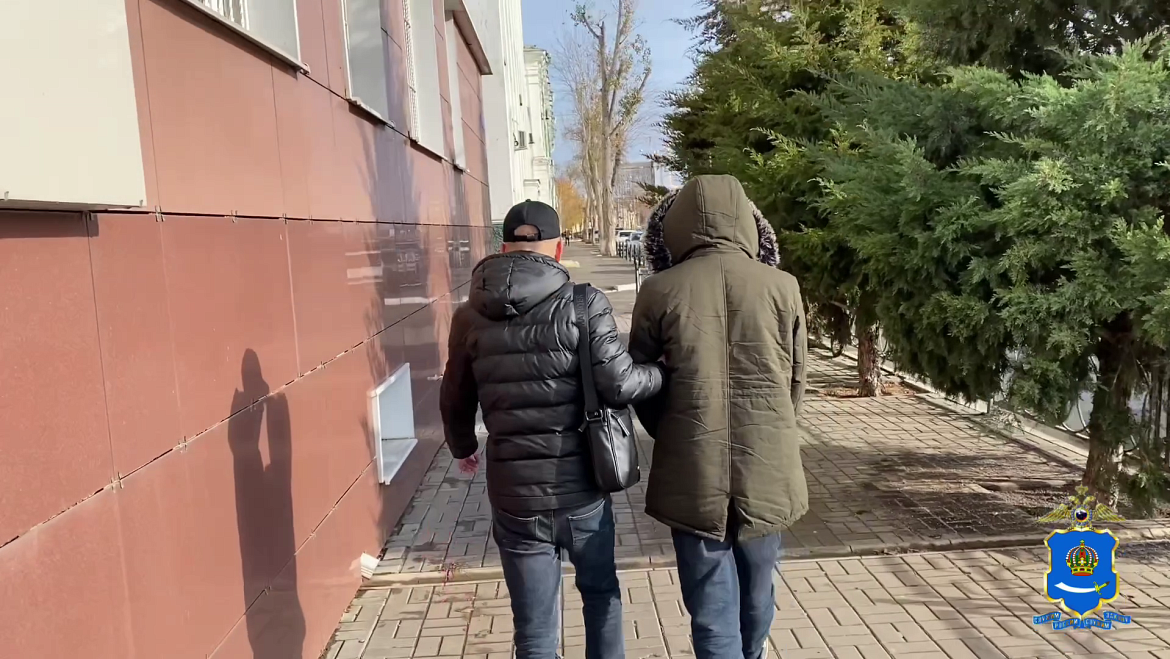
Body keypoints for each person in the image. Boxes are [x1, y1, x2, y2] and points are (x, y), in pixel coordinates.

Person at [440, 199, 665, 659]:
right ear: (559, 248)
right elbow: (620, 383)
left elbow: (454, 395)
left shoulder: (468, 315)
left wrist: (462, 447)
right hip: (582, 488)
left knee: (534, 630)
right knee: (600, 595)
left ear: (504, 246)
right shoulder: (584, 303)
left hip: (515, 496)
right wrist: (663, 371)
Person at [629, 175, 809, 659]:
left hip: (691, 468)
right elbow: (796, 381)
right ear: (748, 222)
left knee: (710, 609)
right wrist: (775, 429)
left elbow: (639, 382)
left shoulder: (659, 289)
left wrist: (672, 430)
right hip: (768, 467)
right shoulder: (783, 287)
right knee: (758, 594)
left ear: (677, 226)